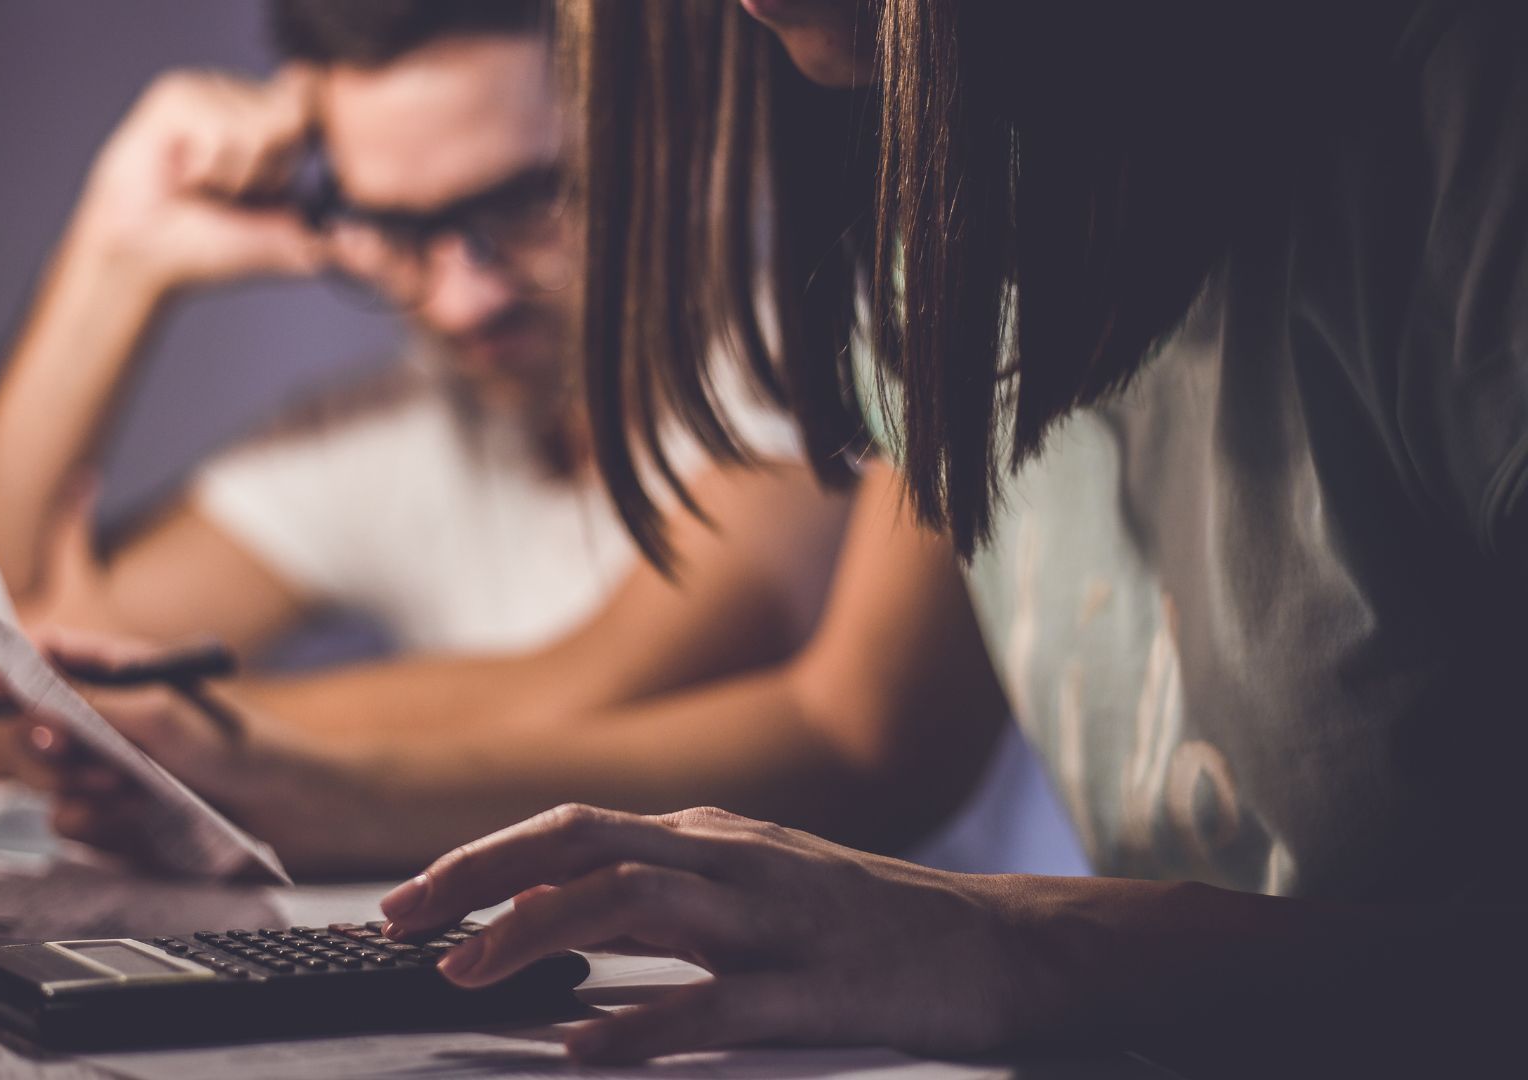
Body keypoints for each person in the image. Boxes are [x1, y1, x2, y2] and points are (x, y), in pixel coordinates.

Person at [349, 0, 1527, 1072]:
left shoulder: (1463, 113)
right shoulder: (953, 209)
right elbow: (860, 727)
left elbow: (813, 722)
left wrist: (1011, 946)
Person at [0, 0, 1082, 881]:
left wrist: (161, 730)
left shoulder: (801, 340)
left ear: (644, 135)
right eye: (400, 230)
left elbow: (600, 677)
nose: (461, 298)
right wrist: (116, 254)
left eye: (520, 202)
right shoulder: (393, 428)